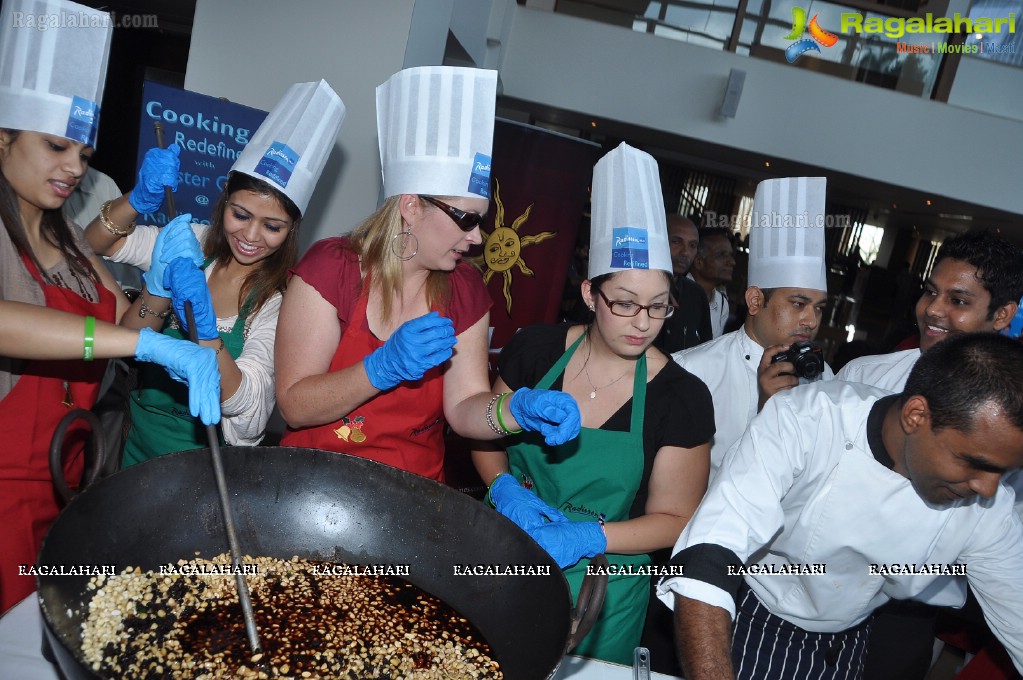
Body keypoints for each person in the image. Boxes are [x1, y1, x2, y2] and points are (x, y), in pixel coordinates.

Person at [0, 0, 219, 613]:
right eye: (54, 147)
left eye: (85, 155)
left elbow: (124, 325)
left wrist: (161, 288)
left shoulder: (68, 236)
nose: (73, 168)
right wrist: (147, 344)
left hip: (67, 479)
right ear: (2, 136)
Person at [275, 66, 580, 482]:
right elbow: (295, 404)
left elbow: (464, 407)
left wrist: (513, 411)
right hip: (312, 483)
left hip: (412, 497)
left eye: (480, 221)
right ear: (411, 205)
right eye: (465, 219)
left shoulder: (465, 288)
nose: (477, 238)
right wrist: (381, 368)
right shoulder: (332, 269)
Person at [660, 332, 1023, 680]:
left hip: (849, 641)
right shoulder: (807, 420)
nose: (988, 488)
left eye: (1003, 472)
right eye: (974, 462)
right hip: (750, 624)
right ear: (916, 416)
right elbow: (708, 559)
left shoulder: (991, 507)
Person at [473, 143, 713, 665]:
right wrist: (504, 487)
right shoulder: (535, 351)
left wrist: (587, 536)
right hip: (509, 550)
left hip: (606, 587)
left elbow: (674, 517)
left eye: (657, 306)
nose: (642, 323)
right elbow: (482, 433)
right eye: (624, 304)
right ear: (589, 292)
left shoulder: (682, 398)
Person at [87, 80, 345, 466]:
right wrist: (136, 199)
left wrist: (207, 334)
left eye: (272, 226)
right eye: (240, 215)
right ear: (224, 196)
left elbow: (252, 408)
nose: (251, 236)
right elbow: (93, 246)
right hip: (135, 445)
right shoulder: (192, 240)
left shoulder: (278, 301)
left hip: (206, 467)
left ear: (292, 228)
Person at [835, 231, 1023, 680]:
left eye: (958, 300)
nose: (933, 310)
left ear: (1003, 314)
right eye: (930, 292)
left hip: (905, 614)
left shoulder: (1012, 417)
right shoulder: (866, 375)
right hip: (818, 578)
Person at [674, 177, 832, 478]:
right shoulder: (693, 370)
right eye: (798, 304)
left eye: (819, 308)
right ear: (756, 300)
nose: (811, 321)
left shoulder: (825, 379)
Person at [64, 166, 142, 289]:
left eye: (83, 155)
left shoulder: (102, 184)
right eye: (57, 147)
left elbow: (128, 283)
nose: (77, 166)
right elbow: (92, 243)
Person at [654, 214, 711, 352]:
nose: (685, 252)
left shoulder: (696, 295)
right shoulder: (636, 285)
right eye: (676, 242)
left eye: (692, 245)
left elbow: (704, 350)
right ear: (659, 240)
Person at [689, 227, 735, 339]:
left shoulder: (722, 304)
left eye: (730, 255)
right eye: (722, 255)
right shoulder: (677, 294)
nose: (732, 262)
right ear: (699, 262)